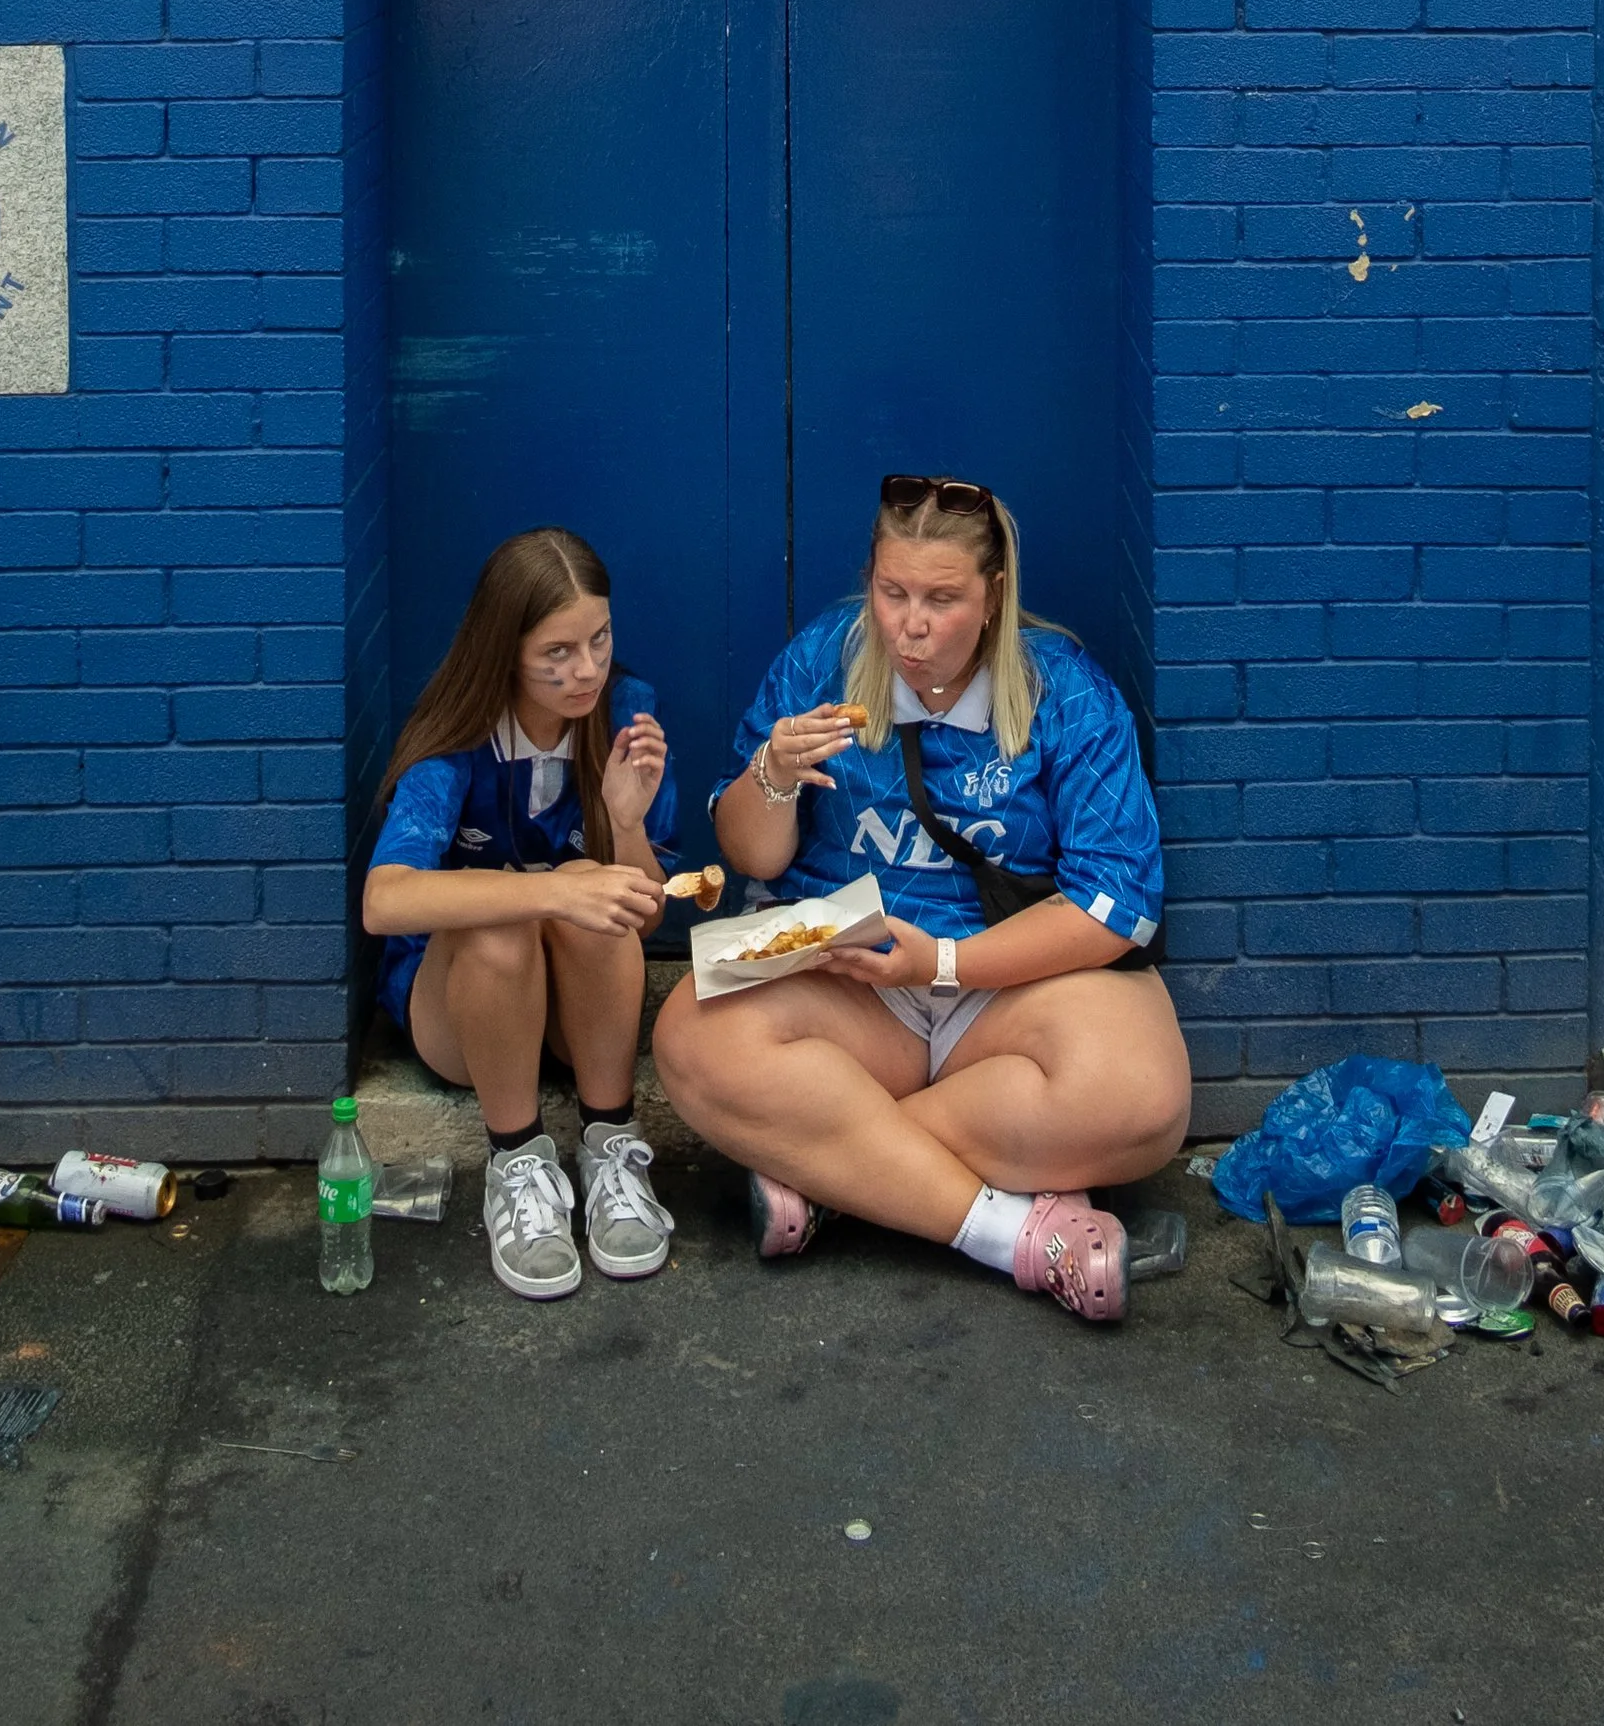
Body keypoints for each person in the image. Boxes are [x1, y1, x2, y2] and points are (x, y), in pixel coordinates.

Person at [654, 477, 1190, 1324]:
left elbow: (1117, 904)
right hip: (841, 948)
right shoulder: (821, 657)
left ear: (994, 597)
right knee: (690, 1035)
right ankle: (1010, 1229)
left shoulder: (1067, 691)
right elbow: (747, 852)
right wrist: (773, 775)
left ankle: (843, 1174)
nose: (910, 624)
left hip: (1002, 971)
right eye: (892, 592)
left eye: (942, 599)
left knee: (1144, 1105)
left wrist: (943, 961)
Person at [363, 526, 678, 1301]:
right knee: (509, 913)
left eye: (599, 640)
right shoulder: (458, 736)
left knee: (591, 890)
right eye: (557, 654)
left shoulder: (625, 715)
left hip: (574, 1020)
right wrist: (550, 891)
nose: (588, 670)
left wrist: (627, 826)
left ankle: (610, 1149)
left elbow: (647, 921)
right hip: (463, 1017)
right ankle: (519, 1163)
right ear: (505, 649)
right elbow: (384, 900)